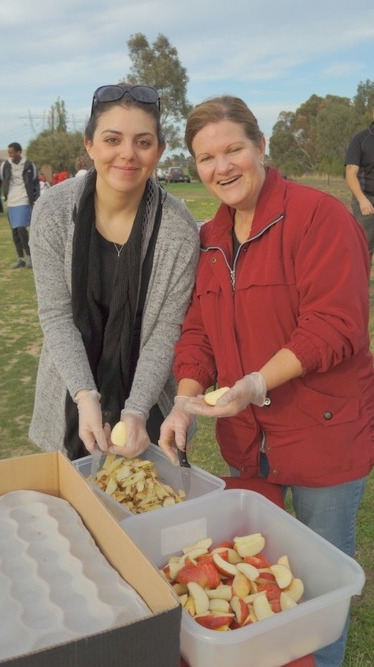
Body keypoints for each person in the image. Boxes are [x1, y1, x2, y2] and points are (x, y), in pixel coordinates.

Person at [159, 95, 373, 667]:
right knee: (259, 576)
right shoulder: (208, 238)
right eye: (206, 158)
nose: (221, 167)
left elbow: (337, 325)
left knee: (320, 580)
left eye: (233, 149)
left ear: (260, 147)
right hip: (246, 443)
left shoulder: (319, 217)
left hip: (324, 436)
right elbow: (197, 334)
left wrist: (258, 380)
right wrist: (182, 402)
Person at [28, 83, 199, 461]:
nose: (127, 154)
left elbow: (167, 330)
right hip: (72, 390)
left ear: (159, 150)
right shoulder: (53, 212)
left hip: (147, 398)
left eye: (142, 142)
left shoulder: (178, 228)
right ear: (89, 145)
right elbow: (56, 315)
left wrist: (136, 409)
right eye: (112, 139)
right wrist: (85, 395)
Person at [0, 142, 39, 269]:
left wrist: (36, 199)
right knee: (15, 231)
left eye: (11, 152)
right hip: (11, 201)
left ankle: (30, 256)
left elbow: (35, 183)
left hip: (24, 199)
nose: (10, 155)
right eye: (8, 153)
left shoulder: (28, 165)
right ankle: (20, 258)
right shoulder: (5, 166)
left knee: (21, 227)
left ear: (18, 152)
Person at [345, 108, 374, 264]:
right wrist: (362, 200)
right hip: (367, 200)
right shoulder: (361, 139)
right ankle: (360, 287)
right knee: (363, 249)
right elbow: (350, 172)